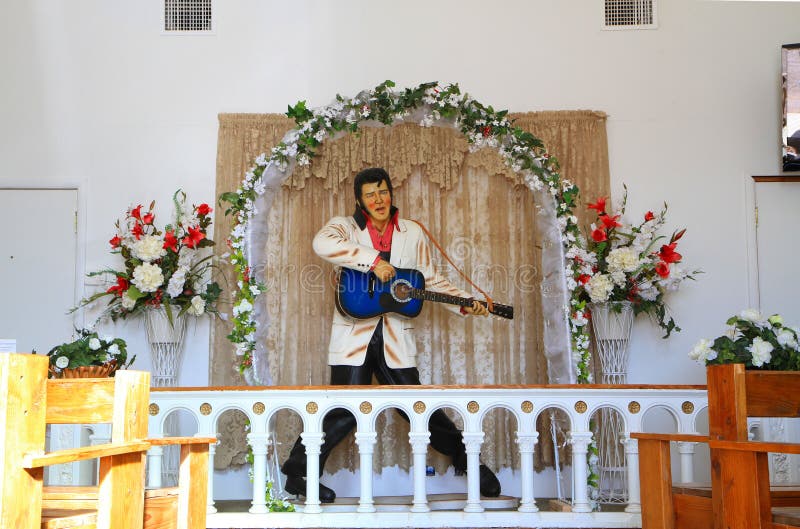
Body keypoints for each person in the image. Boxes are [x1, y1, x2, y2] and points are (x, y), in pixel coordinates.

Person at [280, 167, 501, 503]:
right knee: (342, 410)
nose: (378, 199)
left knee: (417, 406)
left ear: (391, 193)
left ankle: (466, 460)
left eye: (383, 192)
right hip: (354, 334)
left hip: (395, 334)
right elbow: (321, 243)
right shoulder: (345, 226)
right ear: (359, 199)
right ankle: (298, 473)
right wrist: (371, 261)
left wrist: (465, 304)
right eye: (370, 194)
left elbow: (428, 278)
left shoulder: (412, 232)